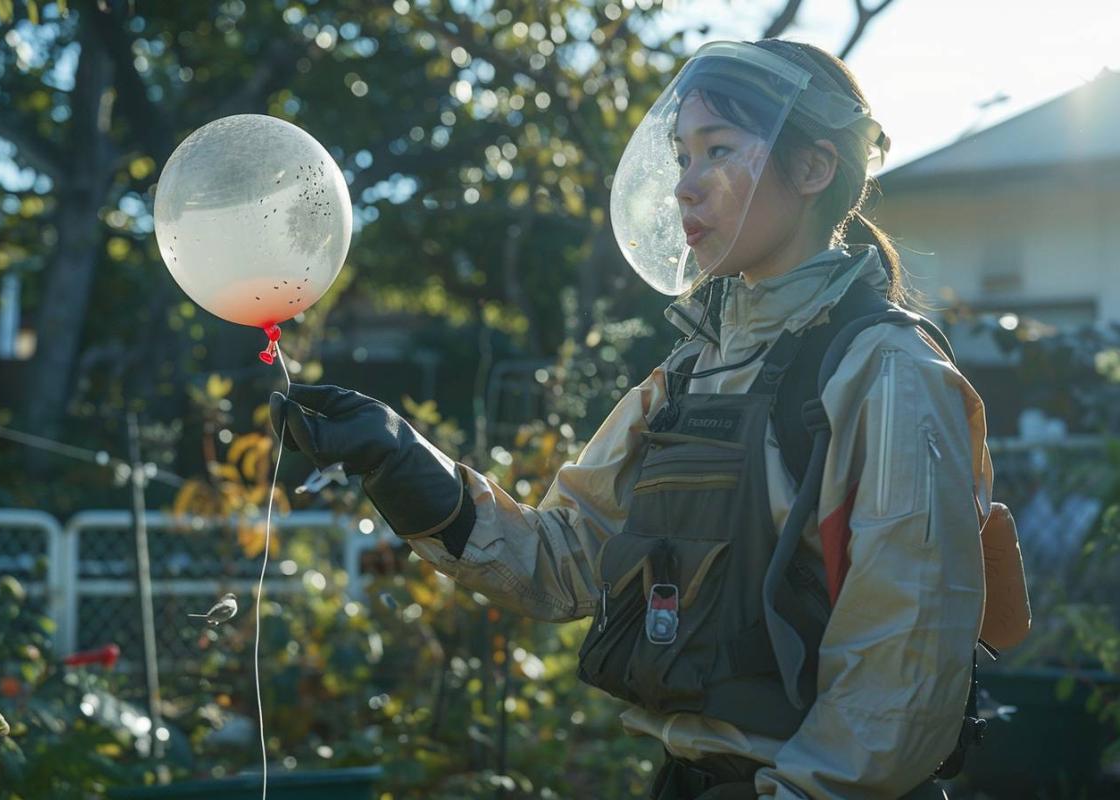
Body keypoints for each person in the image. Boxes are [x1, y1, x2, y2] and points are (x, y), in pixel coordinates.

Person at [271, 39, 997, 800]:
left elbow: (902, 674)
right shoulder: (688, 373)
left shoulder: (888, 372)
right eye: (681, 155)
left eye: (716, 150)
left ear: (814, 169)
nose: (686, 187)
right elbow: (561, 565)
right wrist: (399, 462)